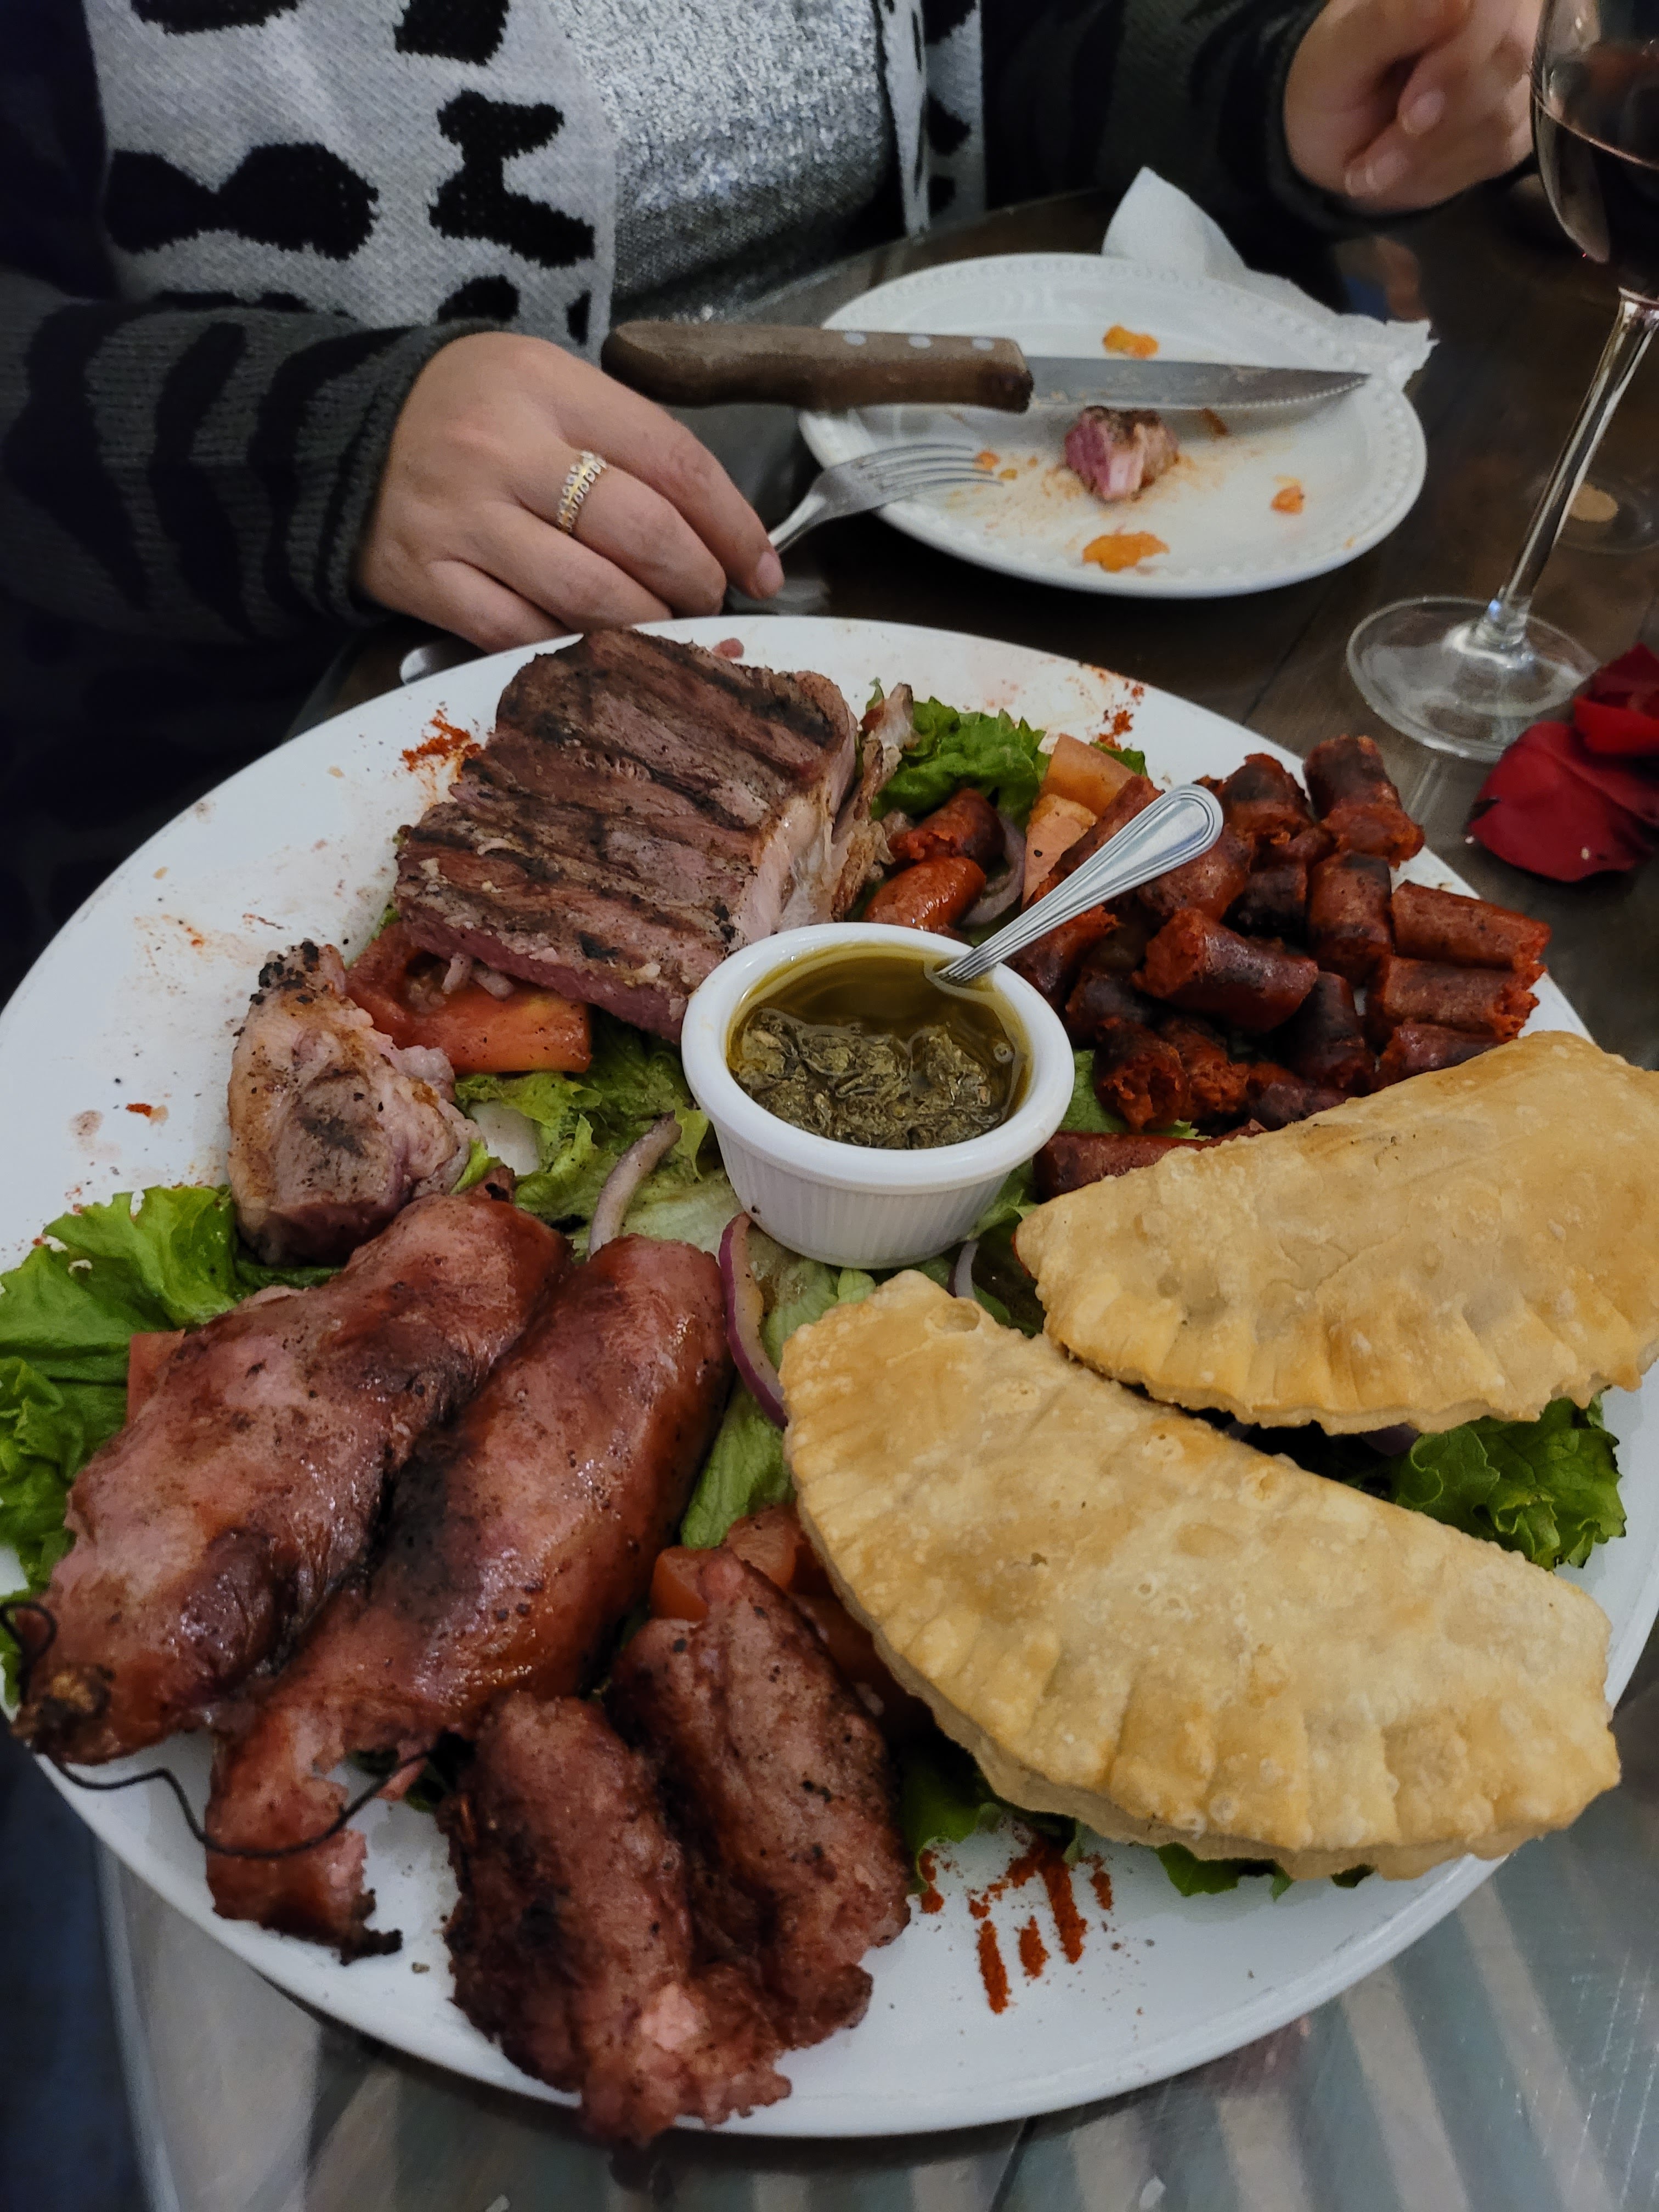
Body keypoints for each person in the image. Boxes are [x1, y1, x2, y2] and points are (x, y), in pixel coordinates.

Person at [0, 0, 1536, 1002]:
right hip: (256, 713)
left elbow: (992, 56)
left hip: (885, 555)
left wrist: (1267, 95)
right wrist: (317, 444)